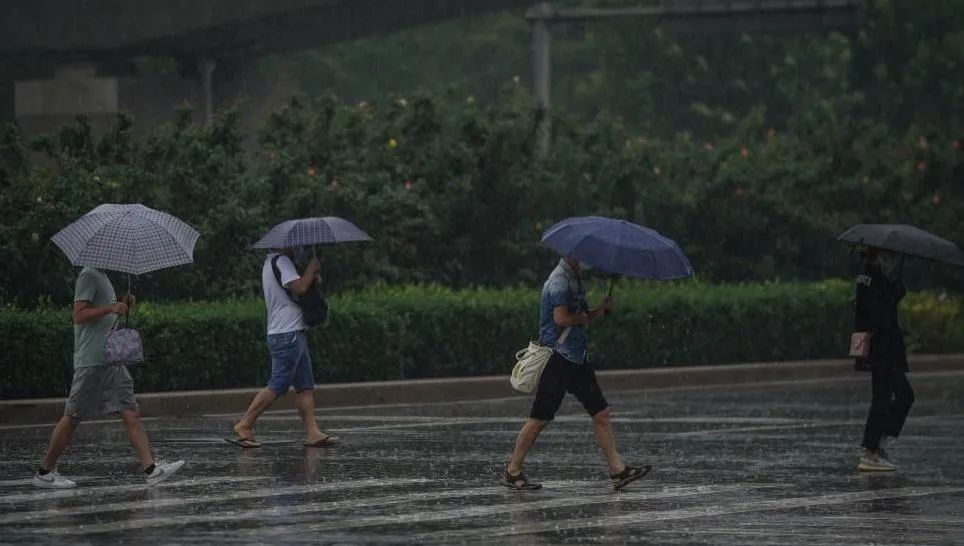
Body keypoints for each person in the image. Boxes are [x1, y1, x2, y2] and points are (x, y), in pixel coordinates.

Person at [500, 257, 650, 491]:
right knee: (540, 418)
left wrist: (600, 310)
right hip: (558, 360)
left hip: (577, 359)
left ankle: (618, 470)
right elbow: (561, 319)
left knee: (601, 413)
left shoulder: (573, 278)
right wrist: (583, 317)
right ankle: (512, 471)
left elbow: (579, 318)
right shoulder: (560, 281)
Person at [33, 267, 185, 489]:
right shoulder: (89, 275)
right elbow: (79, 315)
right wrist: (110, 307)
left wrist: (122, 305)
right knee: (73, 416)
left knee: (130, 411)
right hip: (93, 360)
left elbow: (102, 315)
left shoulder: (103, 277)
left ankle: (151, 470)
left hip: (111, 358)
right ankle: (44, 472)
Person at [228, 248, 338, 448]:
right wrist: (311, 269)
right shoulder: (282, 261)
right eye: (293, 244)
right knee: (278, 384)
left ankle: (312, 432)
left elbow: (296, 290)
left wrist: (312, 278)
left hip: (293, 332)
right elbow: (300, 288)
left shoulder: (270, 263)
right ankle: (244, 424)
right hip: (287, 334)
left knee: (305, 386)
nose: (297, 248)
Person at [854, 248, 915, 472]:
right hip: (884, 349)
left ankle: (873, 445)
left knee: (883, 396)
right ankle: (872, 446)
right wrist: (894, 292)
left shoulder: (866, 278)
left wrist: (892, 290)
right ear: (879, 256)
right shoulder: (874, 280)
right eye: (888, 256)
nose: (891, 260)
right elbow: (879, 314)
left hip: (878, 349)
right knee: (900, 395)